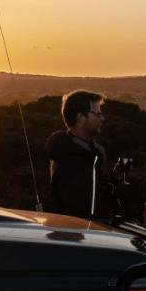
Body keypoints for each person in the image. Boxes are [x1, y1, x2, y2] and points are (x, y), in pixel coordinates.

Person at [45, 89, 125, 218]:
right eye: (97, 114)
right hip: (78, 232)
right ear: (80, 117)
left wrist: (114, 178)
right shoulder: (67, 156)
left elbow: (97, 192)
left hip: (96, 230)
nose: (102, 118)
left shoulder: (94, 152)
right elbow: (77, 203)